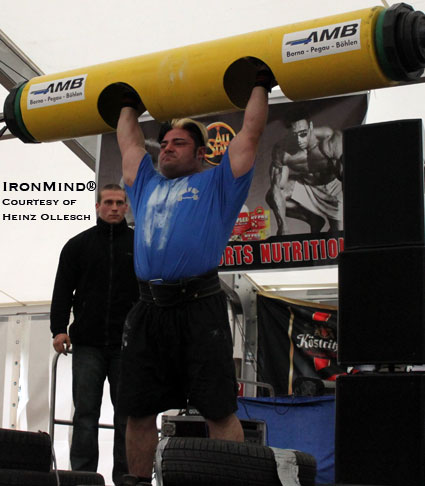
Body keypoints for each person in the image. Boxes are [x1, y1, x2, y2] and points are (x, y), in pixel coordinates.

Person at [116, 66, 272, 486]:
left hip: (199, 308)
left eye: (178, 143)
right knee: (139, 409)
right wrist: (127, 105)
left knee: (219, 409)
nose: (166, 149)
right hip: (149, 310)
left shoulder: (220, 184)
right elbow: (130, 144)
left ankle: (234, 481)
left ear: (200, 153)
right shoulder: (145, 184)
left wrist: (260, 84)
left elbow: (251, 134)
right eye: (164, 143)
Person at [50, 184, 139, 486]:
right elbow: (62, 290)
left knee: (127, 417)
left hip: (128, 346)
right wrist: (58, 329)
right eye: (109, 202)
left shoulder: (141, 245)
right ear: (98, 206)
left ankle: (126, 478)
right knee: (85, 414)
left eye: (120, 203)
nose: (114, 208)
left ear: (127, 207)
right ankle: (82, 477)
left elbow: (152, 293)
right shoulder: (77, 245)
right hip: (86, 345)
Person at [265, 106, 343, 235]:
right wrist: (282, 226)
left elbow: (346, 176)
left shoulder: (329, 140)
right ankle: (313, 219)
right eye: (294, 135)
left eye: (303, 134)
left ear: (311, 126)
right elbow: (277, 188)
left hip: (331, 187)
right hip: (307, 184)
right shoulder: (283, 151)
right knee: (272, 196)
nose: (299, 140)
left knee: (339, 237)